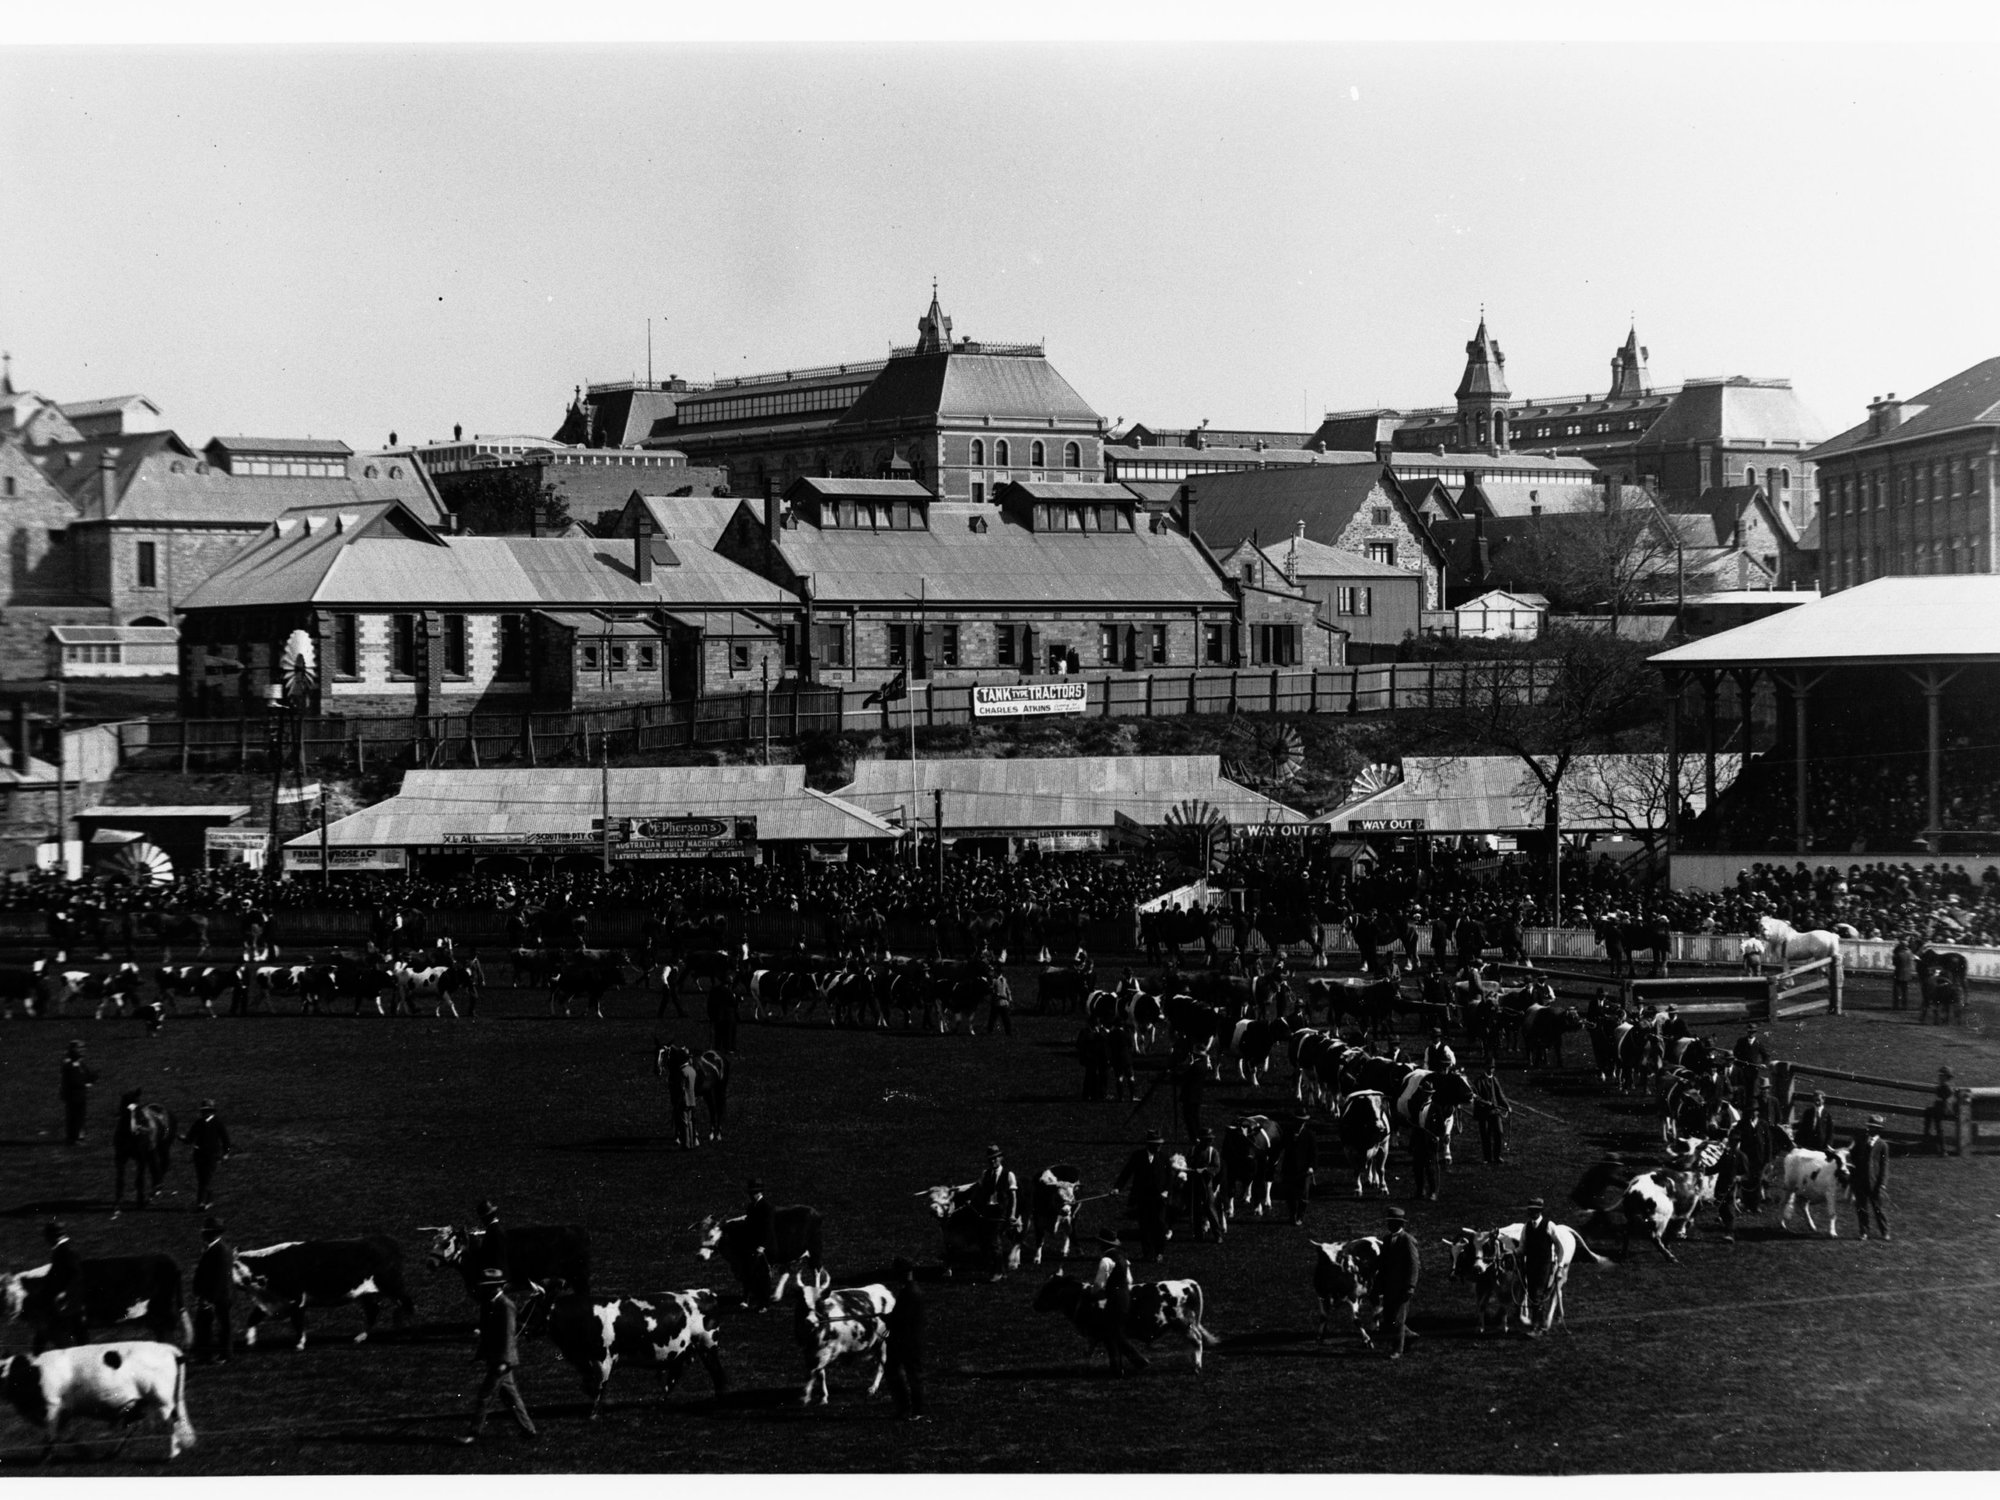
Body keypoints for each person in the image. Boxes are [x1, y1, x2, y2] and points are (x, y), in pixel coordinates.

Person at [460, 1267, 537, 1444]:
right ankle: (529, 1430)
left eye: (486, 1286)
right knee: (511, 1395)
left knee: (484, 1396)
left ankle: (473, 1433)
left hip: (502, 1361)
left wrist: (504, 1361)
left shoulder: (506, 1306)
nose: (482, 1289)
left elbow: (509, 1335)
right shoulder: (489, 1303)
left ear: (496, 1287)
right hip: (496, 1358)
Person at [1088, 1231, 1149, 1375]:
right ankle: (1120, 1366)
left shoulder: (1106, 1261)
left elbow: (1098, 1284)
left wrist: (1092, 1293)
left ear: (1103, 1245)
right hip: (1125, 1297)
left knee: (1112, 1333)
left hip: (1113, 1299)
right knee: (1115, 1332)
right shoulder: (1123, 1258)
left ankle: (1132, 1361)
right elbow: (1129, 1280)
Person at [1114, 1131, 1172, 1261]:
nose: (1158, 1147)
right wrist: (1117, 1188)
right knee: (1145, 1226)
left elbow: (1169, 1177)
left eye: (1160, 1144)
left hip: (1159, 1199)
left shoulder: (1163, 1157)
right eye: (1155, 1145)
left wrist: (1166, 1192)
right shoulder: (1138, 1156)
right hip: (1143, 1198)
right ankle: (1148, 1253)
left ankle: (1159, 1253)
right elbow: (1126, 1173)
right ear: (1149, 1144)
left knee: (1160, 1225)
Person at [883, 1257, 926, 1420]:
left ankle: (912, 1409)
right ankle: (912, 1409)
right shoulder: (911, 1290)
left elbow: (902, 1319)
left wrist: (888, 1319)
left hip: (905, 1343)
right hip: (910, 1342)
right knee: (911, 1375)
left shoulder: (909, 1293)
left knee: (908, 1376)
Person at [1377, 1207, 1420, 1360]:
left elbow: (1414, 1265)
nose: (1389, 1225)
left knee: (1398, 1319)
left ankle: (1398, 1349)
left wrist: (1410, 1286)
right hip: (1389, 1287)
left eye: (1391, 1222)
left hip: (1402, 1288)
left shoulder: (1407, 1240)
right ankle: (1410, 1335)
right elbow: (1383, 1264)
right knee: (1389, 1318)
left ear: (1399, 1223)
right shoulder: (1387, 1239)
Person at [192, 1216, 234, 1362]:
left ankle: (222, 1355)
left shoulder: (220, 1250)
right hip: (215, 1296)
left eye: (205, 1232)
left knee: (220, 1326)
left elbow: (219, 1279)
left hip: (217, 1297)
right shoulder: (217, 1248)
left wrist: (209, 1300)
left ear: (212, 1233)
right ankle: (206, 1354)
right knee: (208, 1325)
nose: (202, 1234)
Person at [184, 1100, 232, 1212]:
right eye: (204, 1111)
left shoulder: (218, 1123)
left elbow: (226, 1140)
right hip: (199, 1155)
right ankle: (208, 1199)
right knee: (202, 1179)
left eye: (207, 1111)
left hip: (212, 1155)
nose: (205, 1113)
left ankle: (200, 1202)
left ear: (211, 1111)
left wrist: (226, 1153)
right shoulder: (198, 1123)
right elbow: (190, 1138)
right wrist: (183, 1139)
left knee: (205, 1179)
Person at [1519, 1198, 1558, 1334]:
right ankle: (1540, 1325)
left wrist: (1558, 1263)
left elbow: (1558, 1245)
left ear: (1540, 1211)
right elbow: (1522, 1247)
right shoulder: (1527, 1226)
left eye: (1534, 1211)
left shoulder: (1549, 1225)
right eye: (1530, 1211)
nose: (1532, 1213)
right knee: (1533, 1295)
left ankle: (1536, 1327)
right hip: (1530, 1265)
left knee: (1537, 1294)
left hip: (1545, 1265)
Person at [43, 1219, 85, 1345]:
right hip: (69, 1301)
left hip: (70, 1301)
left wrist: (64, 1292)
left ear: (53, 1236)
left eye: (47, 1237)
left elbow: (76, 1274)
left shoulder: (65, 1251)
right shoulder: (62, 1249)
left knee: (78, 1336)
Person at [1853, 1115, 1891, 1240]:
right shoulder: (1861, 1140)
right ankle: (1864, 1232)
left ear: (1879, 1130)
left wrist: (1882, 1183)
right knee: (1861, 1208)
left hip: (1874, 1182)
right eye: (1869, 1127)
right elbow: (1853, 1158)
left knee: (1878, 1208)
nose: (1870, 1129)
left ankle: (1885, 1232)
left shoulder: (1882, 1145)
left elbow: (1884, 1166)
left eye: (1874, 1128)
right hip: (1860, 1180)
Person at [1276, 1111, 1317, 1226]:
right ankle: (1292, 1215)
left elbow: (1314, 1154)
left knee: (1303, 1195)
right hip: (1289, 1169)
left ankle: (1300, 1216)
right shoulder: (1288, 1134)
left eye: (1302, 1121)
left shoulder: (1309, 1135)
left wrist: (1312, 1167)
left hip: (1304, 1171)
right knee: (1290, 1195)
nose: (1300, 1123)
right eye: (1298, 1121)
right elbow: (1280, 1148)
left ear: (1305, 1122)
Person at [1187, 1128, 1226, 1243]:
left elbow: (1217, 1167)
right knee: (1196, 1210)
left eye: (1210, 1140)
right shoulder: (1193, 1150)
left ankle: (1218, 1235)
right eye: (1206, 1140)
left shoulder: (1213, 1152)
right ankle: (1198, 1234)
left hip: (1207, 1184)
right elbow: (1188, 1163)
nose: (1208, 1142)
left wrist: (1205, 1170)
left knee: (1210, 1209)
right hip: (1194, 1183)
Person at [1471, 1059, 1511, 1164]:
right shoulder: (1479, 1081)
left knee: (1499, 1132)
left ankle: (1497, 1156)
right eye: (1490, 1068)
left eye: (1493, 1068)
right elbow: (1475, 1097)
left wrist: (1507, 1106)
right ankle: (1487, 1158)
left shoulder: (1494, 1080)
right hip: (1483, 1113)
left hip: (1495, 1112)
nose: (1491, 1070)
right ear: (1486, 1068)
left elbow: (1500, 1095)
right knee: (1486, 1135)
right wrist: (1486, 1103)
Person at [1713, 1130, 1750, 1243]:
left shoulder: (1742, 1156)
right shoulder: (1726, 1154)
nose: (1732, 1143)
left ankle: (1730, 1234)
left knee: (1729, 1210)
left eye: (1735, 1141)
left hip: (1732, 1187)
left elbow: (1747, 1175)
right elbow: (1716, 1168)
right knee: (1722, 1209)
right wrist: (1704, 1171)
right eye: (1731, 1141)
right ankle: (1728, 1230)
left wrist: (1738, 1178)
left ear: (1738, 1143)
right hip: (1721, 1185)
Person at [60, 1040, 96, 1146]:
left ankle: (78, 1137)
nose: (82, 1050)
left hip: (80, 1094)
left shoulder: (79, 1062)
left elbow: (86, 1074)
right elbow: (73, 1079)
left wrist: (92, 1078)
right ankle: (73, 1138)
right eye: (79, 1048)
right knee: (74, 1117)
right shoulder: (69, 1063)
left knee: (80, 1116)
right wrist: (85, 1084)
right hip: (73, 1095)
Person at [1174, 1045, 1209, 1144]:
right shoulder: (1204, 1063)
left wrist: (1186, 1065)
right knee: (1195, 1116)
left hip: (1189, 1095)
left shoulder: (1195, 1066)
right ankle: (1199, 1135)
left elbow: (1182, 1077)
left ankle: (1194, 1137)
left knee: (1189, 1117)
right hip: (1198, 1095)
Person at [1922, 1067, 1955, 1155]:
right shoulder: (1942, 1086)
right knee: (1937, 1126)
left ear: (1946, 1077)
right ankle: (1940, 1148)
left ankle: (1929, 1140)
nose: (1939, 1077)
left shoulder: (1946, 1087)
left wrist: (1947, 1108)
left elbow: (1948, 1100)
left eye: (1942, 1076)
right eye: (1939, 1075)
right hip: (1939, 1109)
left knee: (1938, 1127)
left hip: (1942, 1110)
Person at [1408, 1122, 1439, 1202]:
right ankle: (1420, 1191)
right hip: (1419, 1144)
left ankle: (1433, 1192)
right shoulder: (1418, 1113)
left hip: (1430, 1145)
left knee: (1430, 1170)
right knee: (1417, 1169)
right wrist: (1411, 1145)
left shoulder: (1434, 1110)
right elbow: (1414, 1128)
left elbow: (1440, 1125)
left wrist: (1437, 1137)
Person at [1891, 938, 1916, 1011]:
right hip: (1907, 973)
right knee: (1905, 991)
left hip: (1899, 972)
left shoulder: (1898, 954)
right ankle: (1904, 1006)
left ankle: (1896, 1005)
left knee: (1897, 990)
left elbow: (1894, 963)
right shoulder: (1910, 952)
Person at [986, 971, 1013, 1037]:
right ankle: (990, 1031)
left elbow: (1007, 989)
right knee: (995, 1018)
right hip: (998, 1002)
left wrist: (1009, 999)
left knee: (1002, 1018)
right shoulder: (996, 980)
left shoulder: (1000, 980)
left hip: (1000, 1002)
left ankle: (1008, 1032)